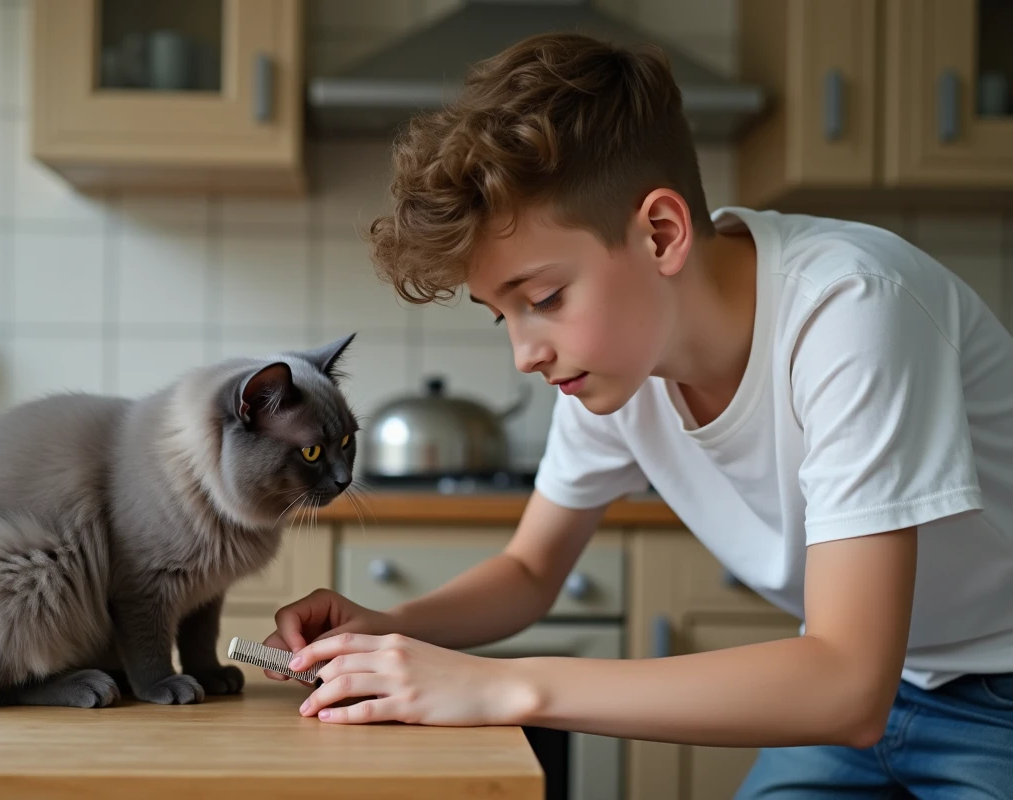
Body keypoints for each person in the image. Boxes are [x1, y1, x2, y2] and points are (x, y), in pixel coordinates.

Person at [261, 32, 1013, 798]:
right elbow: (529, 571)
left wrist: (502, 686)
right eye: (503, 316)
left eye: (545, 299)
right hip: (870, 694)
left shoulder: (852, 312)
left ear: (661, 234)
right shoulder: (619, 361)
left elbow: (847, 684)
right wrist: (390, 628)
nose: (526, 353)